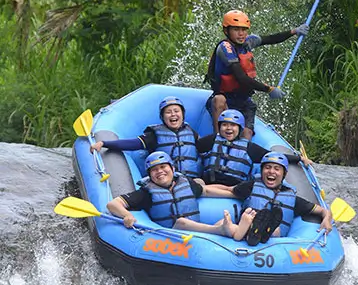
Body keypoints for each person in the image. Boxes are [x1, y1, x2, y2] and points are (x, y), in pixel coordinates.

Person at [206, 10, 308, 140]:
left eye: (244, 29)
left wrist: (294, 31)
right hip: (226, 99)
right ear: (226, 31)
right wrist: (269, 89)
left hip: (243, 101)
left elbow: (270, 39)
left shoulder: (248, 42)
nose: (241, 34)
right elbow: (242, 78)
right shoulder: (225, 48)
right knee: (219, 100)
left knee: (247, 135)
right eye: (236, 30)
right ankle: (217, 140)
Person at [205, 151, 332, 245]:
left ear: (284, 174)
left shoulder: (292, 198)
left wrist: (327, 219)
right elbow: (228, 190)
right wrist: (202, 190)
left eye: (277, 169)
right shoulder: (251, 186)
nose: (271, 171)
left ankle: (261, 230)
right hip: (244, 228)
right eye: (267, 167)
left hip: (274, 241)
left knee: (275, 230)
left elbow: (322, 210)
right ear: (261, 171)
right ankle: (251, 230)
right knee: (222, 224)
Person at [106, 151, 241, 238]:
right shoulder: (146, 193)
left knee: (223, 224)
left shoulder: (185, 183)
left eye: (163, 167)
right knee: (181, 222)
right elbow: (113, 204)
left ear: (172, 169)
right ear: (149, 175)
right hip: (170, 236)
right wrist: (127, 215)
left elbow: (205, 190)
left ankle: (225, 229)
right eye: (154, 170)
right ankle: (219, 230)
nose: (159, 171)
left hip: (196, 235)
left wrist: (232, 192)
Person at [90, 96, 201, 177]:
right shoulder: (154, 135)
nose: (173, 114)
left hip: (190, 179)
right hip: (166, 180)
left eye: (176, 111)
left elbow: (206, 145)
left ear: (182, 114)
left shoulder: (191, 132)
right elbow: (132, 144)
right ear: (162, 117)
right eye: (168, 112)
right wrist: (104, 143)